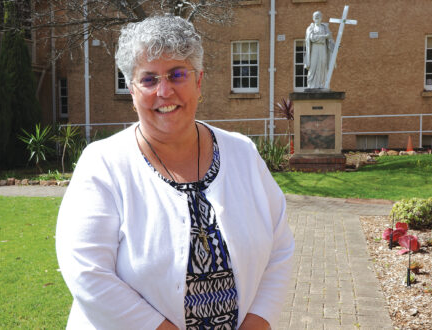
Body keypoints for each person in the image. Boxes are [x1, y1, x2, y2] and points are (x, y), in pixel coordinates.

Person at [56, 15, 295, 330]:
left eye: (176, 74)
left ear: (198, 82)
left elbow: (280, 248)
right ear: (132, 90)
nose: (164, 91)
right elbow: (87, 273)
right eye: (149, 79)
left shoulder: (243, 153)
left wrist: (258, 322)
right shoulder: (103, 164)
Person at [304, 11, 335, 89]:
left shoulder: (325, 27)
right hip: (314, 48)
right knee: (313, 65)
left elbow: (330, 39)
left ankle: (321, 84)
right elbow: (311, 38)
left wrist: (335, 46)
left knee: (322, 64)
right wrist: (324, 36)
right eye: (315, 16)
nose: (317, 17)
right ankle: (311, 84)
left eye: (318, 16)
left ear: (321, 18)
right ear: (313, 18)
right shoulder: (311, 28)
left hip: (322, 48)